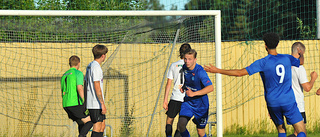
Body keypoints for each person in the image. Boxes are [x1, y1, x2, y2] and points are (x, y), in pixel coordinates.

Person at [204, 32, 306, 137]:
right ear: (277, 44)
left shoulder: (263, 62)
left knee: (281, 130)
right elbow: (301, 62)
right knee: (301, 132)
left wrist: (218, 70)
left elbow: (239, 73)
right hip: (288, 100)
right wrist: (300, 53)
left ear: (265, 45)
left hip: (273, 102)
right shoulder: (287, 58)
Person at [177, 49, 214, 137]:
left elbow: (210, 87)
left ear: (195, 59)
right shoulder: (184, 68)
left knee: (200, 132)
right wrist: (184, 87)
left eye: (189, 59)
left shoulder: (200, 71)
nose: (187, 61)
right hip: (188, 103)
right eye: (185, 59)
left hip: (201, 106)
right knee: (181, 125)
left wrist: (194, 93)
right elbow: (188, 81)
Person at [288, 42, 318, 137]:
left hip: (288, 102)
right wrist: (313, 78)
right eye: (303, 54)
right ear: (299, 50)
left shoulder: (286, 65)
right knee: (301, 134)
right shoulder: (299, 67)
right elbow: (307, 88)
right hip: (297, 104)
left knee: (297, 133)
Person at [163, 43, 191, 137]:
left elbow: (168, 84)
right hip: (186, 99)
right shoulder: (192, 66)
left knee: (169, 121)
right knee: (180, 125)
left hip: (175, 98)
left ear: (180, 52)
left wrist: (165, 100)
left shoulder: (173, 65)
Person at [61, 55, 93, 137]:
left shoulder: (64, 75)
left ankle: (82, 135)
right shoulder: (78, 73)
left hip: (66, 104)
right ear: (78, 63)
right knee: (90, 121)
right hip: (74, 103)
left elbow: (62, 90)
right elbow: (80, 88)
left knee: (81, 122)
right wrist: (85, 101)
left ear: (70, 64)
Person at [85, 44, 108, 137]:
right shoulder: (96, 67)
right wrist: (102, 103)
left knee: (102, 126)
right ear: (103, 56)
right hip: (95, 103)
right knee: (97, 126)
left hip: (94, 102)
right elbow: (96, 85)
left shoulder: (90, 65)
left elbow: (85, 82)